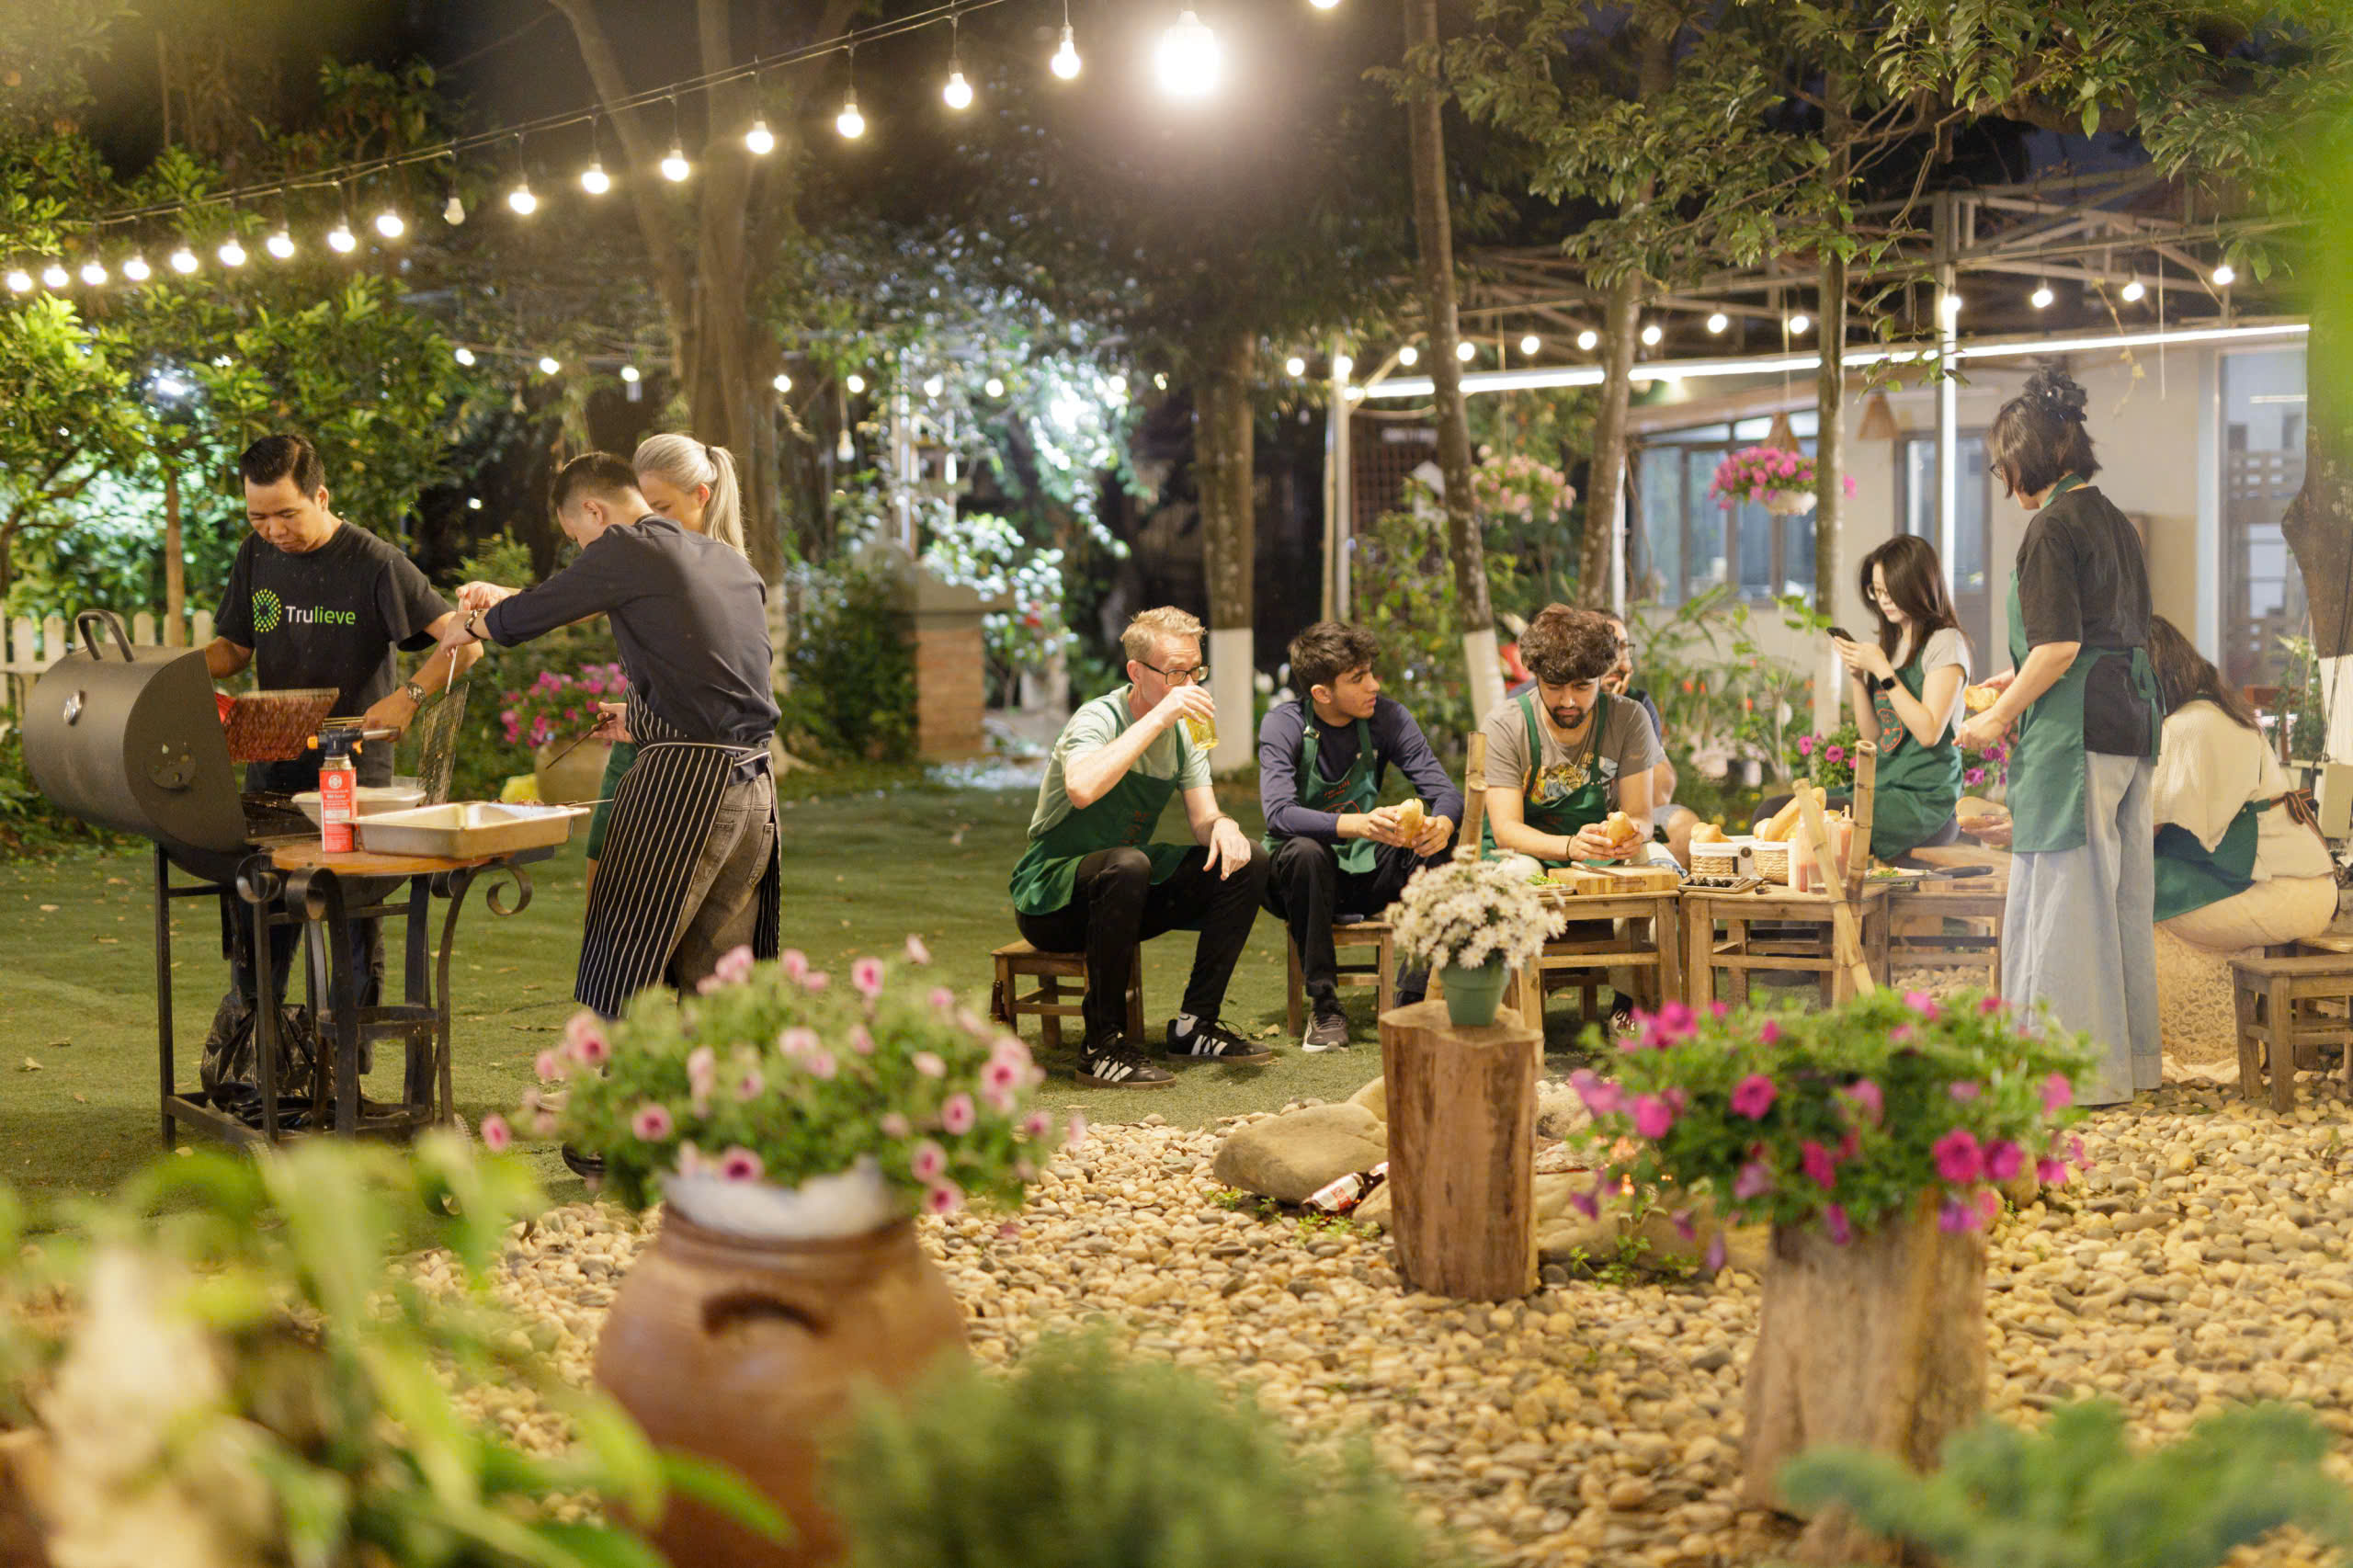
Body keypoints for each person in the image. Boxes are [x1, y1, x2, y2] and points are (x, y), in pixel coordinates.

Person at [441, 452, 781, 1017]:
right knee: (720, 984)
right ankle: (719, 1078)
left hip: (686, 785)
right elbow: (725, 685)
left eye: (578, 538)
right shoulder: (725, 560)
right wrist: (641, 719)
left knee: (622, 967)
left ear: (595, 511)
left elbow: (540, 611)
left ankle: (612, 1076)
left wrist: (471, 626)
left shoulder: (628, 545)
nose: (583, 552)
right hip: (754, 791)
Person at [200, 435, 481, 1070]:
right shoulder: (255, 554)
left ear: (321, 497)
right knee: (261, 910)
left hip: (350, 778)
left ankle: (345, 1067)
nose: (273, 531)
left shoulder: (376, 563)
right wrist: (171, 670)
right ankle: (262, 1061)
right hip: (272, 769)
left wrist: (409, 697)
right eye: (258, 516)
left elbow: (465, 643)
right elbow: (235, 650)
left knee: (350, 920)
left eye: (286, 514)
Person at [1957, 365, 2164, 1107]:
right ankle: (2130, 1064)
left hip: (2076, 726)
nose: (2004, 480)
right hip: (2132, 717)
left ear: (2028, 458)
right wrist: (2015, 684)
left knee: (2065, 896)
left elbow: (2059, 648)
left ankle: (2067, 1076)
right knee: (2121, 896)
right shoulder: (2113, 519)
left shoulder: (2051, 526)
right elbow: (2101, 635)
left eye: (2002, 465)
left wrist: (1995, 716)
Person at [1009, 607, 1272, 1088]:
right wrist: (1158, 719)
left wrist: (1225, 826)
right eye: (1175, 672)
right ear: (1136, 671)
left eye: (1195, 671)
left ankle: (1195, 1026)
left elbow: (1204, 818)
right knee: (1129, 864)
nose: (1188, 684)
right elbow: (1082, 788)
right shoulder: (1097, 718)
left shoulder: (1185, 733)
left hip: (1125, 891)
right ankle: (1101, 1046)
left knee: (1248, 860)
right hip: (1052, 899)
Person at [1258, 621, 1463, 1051]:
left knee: (1445, 847)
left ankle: (1414, 993)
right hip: (1298, 882)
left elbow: (1445, 793)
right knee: (1305, 853)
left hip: (1366, 871)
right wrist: (1358, 824)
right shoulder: (1284, 724)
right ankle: (1325, 1006)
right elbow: (1278, 814)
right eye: (1358, 678)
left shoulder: (1388, 717)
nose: (1374, 685)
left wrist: (1442, 826)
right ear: (1322, 693)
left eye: (1370, 671)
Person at [580, 435, 750, 898]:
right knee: (603, 892)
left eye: (662, 508)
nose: (651, 522)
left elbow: (728, 696)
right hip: (636, 749)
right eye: (645, 510)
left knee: (670, 909)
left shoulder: (724, 576)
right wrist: (639, 712)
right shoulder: (649, 561)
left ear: (702, 496)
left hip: (692, 765)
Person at [2145, 616, 2336, 948]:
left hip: (2279, 892)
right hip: (2308, 888)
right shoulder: (2218, 712)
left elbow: (2144, 831)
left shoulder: (2186, 727)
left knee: (2125, 893)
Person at [1482, 603, 1664, 867]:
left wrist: (1635, 835)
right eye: (1554, 687)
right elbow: (1506, 831)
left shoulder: (1629, 718)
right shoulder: (1505, 725)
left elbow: (1641, 816)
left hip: (1600, 854)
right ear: (1536, 678)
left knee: (1659, 860)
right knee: (1523, 871)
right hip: (1522, 856)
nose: (1567, 701)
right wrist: (1570, 846)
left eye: (1582, 687)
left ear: (1602, 678)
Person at [1829, 534, 1969, 861]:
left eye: (1891, 590)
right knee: (1781, 811)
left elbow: (1929, 732)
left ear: (1917, 586)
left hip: (1925, 802)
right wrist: (1858, 677)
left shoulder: (1944, 642)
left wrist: (1882, 669)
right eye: (1877, 591)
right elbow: (1875, 738)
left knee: (1811, 819)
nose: (1884, 600)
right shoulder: (1893, 645)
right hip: (1885, 789)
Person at [1601, 612, 1701, 864]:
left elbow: (1661, 793)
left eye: (1624, 648)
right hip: (1573, 817)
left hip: (1631, 815)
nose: (1620, 661)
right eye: (1609, 647)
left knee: (1685, 828)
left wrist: (1616, 708)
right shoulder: (1557, 700)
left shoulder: (1637, 703)